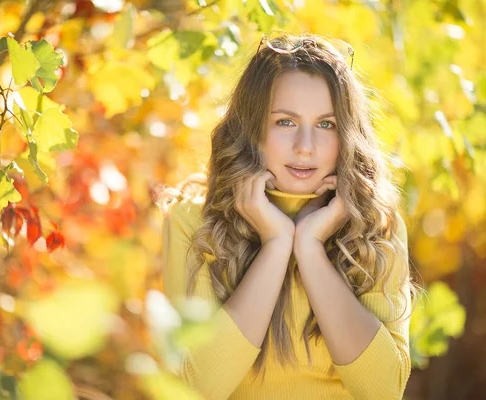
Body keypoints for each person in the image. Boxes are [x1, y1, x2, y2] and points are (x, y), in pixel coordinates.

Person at [157, 31, 419, 400]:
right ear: (252, 127)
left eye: (326, 125)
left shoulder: (375, 227)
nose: (305, 147)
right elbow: (196, 389)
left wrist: (310, 249)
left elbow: (384, 390)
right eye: (285, 122)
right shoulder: (192, 222)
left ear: (346, 134)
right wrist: (277, 243)